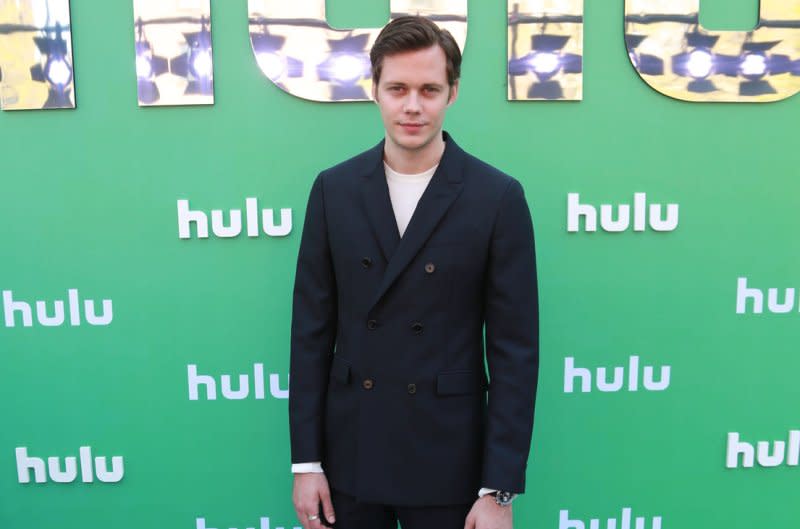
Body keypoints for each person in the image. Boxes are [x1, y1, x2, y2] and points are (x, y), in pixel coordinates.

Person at [289, 16, 539, 529]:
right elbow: (310, 335)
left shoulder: (496, 197)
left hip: (451, 463)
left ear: (453, 93)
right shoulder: (333, 191)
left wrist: (499, 491)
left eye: (429, 89)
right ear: (374, 90)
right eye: (397, 88)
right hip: (352, 457)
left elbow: (515, 352)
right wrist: (306, 463)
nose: (412, 106)